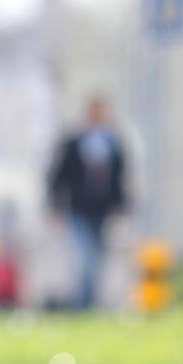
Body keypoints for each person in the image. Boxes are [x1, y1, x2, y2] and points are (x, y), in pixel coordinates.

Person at [46, 96, 129, 310]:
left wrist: (121, 206)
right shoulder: (74, 143)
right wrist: (55, 205)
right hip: (78, 209)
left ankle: (89, 301)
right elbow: (58, 175)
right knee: (86, 256)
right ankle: (83, 303)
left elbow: (119, 180)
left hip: (102, 211)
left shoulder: (113, 145)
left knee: (97, 258)